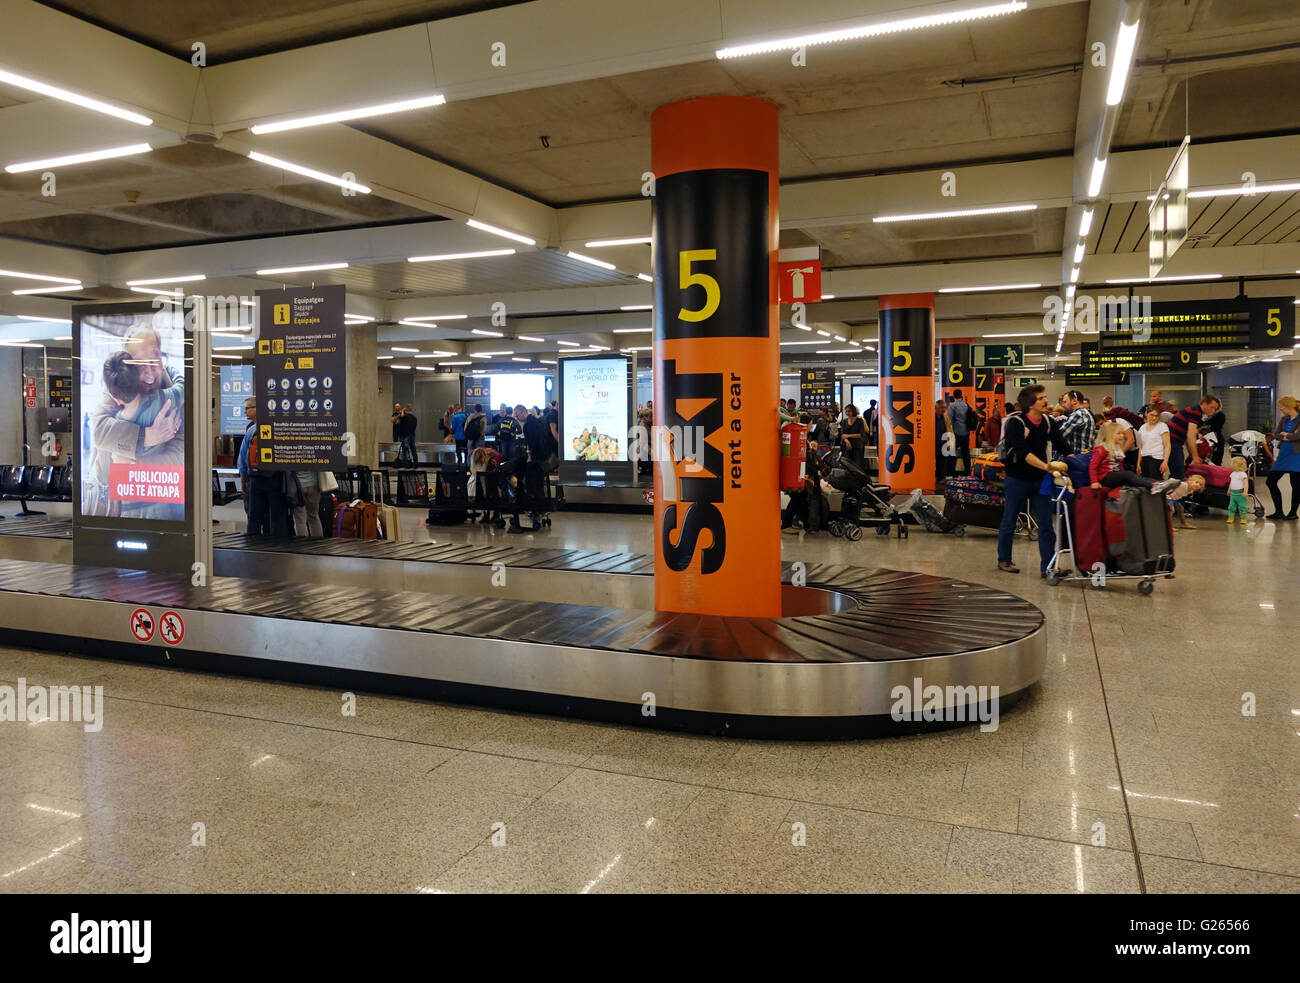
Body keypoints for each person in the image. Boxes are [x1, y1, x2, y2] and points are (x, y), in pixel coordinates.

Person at [997, 385, 1070, 576]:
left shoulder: (1047, 421)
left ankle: (1048, 566)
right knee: (1009, 520)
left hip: (1040, 481)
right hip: (1017, 479)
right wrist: (1047, 467)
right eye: (1041, 398)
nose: (1046, 401)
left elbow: (1062, 445)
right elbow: (1022, 453)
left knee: (1046, 524)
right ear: (1030, 404)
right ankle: (1004, 559)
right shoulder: (1015, 423)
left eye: (1045, 396)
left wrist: (1077, 459)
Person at [1089, 423, 1177, 494]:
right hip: (1104, 478)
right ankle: (1155, 485)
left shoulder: (1116, 449)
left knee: (1134, 478)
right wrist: (1094, 482)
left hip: (1114, 476)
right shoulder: (1101, 449)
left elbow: (1119, 467)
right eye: (1118, 433)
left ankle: (1160, 484)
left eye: (1122, 433)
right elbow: (1093, 467)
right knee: (1128, 474)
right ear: (1109, 435)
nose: (1122, 436)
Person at [241, 406, 288, 537]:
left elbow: (244, 458)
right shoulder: (280, 429)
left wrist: (244, 479)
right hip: (275, 477)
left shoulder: (252, 430)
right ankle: (277, 544)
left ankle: (252, 542)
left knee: (254, 515)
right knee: (276, 515)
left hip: (255, 478)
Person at [1166, 394, 1220, 479]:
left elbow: (1189, 437)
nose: (1213, 411)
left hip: (1173, 442)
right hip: (1172, 442)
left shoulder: (1194, 411)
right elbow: (1190, 436)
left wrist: (1192, 455)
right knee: (1178, 475)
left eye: (1215, 409)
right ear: (1204, 403)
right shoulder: (1196, 412)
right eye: (1212, 407)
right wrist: (1195, 457)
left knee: (1177, 473)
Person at [1265, 395, 1299, 520]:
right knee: (1271, 481)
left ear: (1289, 407)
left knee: (1296, 485)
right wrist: (1289, 436)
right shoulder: (1284, 419)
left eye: (1282, 407)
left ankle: (1293, 513)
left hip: (1297, 455)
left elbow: (1298, 436)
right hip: (1284, 453)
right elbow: (1276, 434)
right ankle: (1278, 511)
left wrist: (1287, 436)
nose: (1281, 409)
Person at [1058, 390, 1096, 457]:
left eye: (1065, 402)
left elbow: (1060, 435)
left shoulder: (1078, 414)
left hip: (1077, 460)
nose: (1063, 405)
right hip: (1084, 458)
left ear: (1074, 401)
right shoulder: (1086, 413)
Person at [1135, 407, 1171, 479]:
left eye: (1156, 416)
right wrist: (1138, 463)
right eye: (1152, 415)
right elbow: (1141, 447)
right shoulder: (1142, 427)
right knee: (1144, 483)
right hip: (1144, 458)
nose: (1154, 418)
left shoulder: (1162, 426)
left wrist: (1165, 461)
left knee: (1155, 483)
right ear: (1146, 414)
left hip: (1157, 459)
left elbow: (1167, 445)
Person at [288, 470, 323, 538]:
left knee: (300, 520)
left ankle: (303, 546)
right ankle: (318, 543)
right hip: (314, 484)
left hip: (297, 486)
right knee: (314, 517)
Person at [947, 389, 973, 475]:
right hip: (966, 433)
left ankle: (952, 473)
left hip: (956, 433)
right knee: (966, 454)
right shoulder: (966, 405)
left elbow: (949, 420)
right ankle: (967, 472)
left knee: (952, 454)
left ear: (953, 396)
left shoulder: (952, 406)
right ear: (961, 395)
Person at [1224, 456, 1251, 525]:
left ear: (1238, 465)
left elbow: (1246, 484)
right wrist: (1229, 490)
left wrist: (1245, 491)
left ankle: (1243, 518)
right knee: (1231, 506)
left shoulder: (1242, 474)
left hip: (1240, 494)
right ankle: (1231, 517)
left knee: (1242, 506)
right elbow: (1231, 482)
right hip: (1233, 494)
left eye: (1233, 463)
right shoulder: (1233, 473)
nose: (1231, 464)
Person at [934, 399, 954, 485]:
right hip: (933, 444)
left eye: (945, 407)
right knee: (935, 462)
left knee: (943, 462)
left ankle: (941, 478)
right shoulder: (931, 417)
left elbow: (950, 430)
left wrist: (951, 443)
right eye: (942, 407)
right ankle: (936, 477)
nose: (944, 409)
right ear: (936, 407)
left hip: (944, 443)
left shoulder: (946, 417)